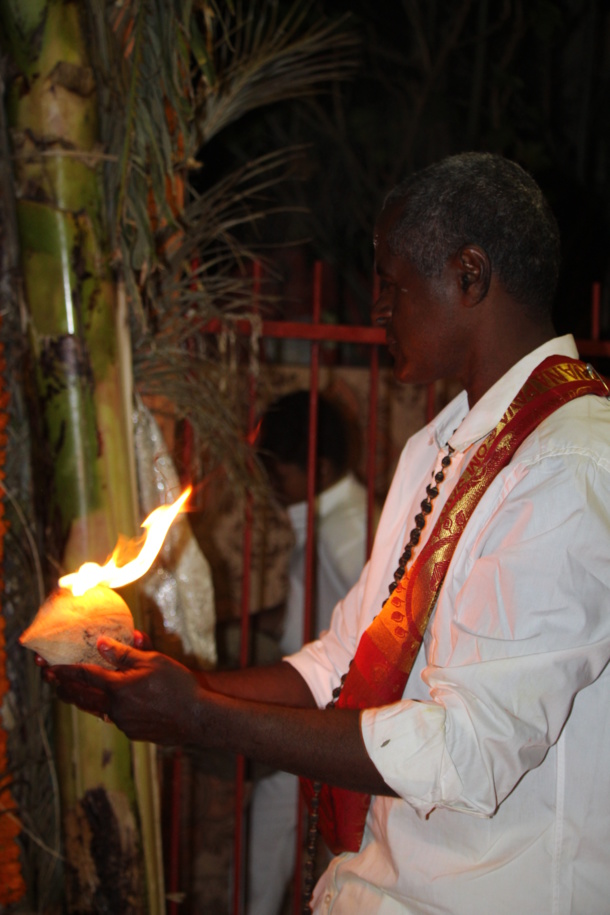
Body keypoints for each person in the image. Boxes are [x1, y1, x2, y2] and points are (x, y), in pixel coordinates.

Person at [45, 152, 610, 914]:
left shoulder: (574, 463)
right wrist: (163, 689)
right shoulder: (440, 446)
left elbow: (468, 751)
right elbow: (344, 663)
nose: (377, 307)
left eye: (392, 282)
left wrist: (202, 714)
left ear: (470, 277)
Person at [249, 390, 370, 915]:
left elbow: (389, 629)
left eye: (278, 472)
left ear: (316, 468)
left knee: (330, 871)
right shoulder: (331, 523)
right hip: (309, 712)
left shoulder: (346, 534)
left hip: (333, 725)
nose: (271, 486)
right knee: (271, 851)